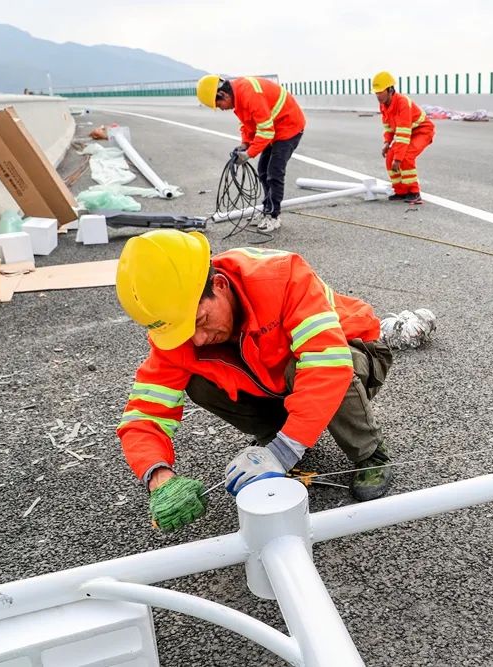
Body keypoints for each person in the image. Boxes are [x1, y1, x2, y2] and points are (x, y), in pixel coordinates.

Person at [115, 230, 395, 532]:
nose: (198, 338)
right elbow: (144, 415)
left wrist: (282, 454)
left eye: (200, 321)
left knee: (309, 367)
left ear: (219, 285)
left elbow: (328, 365)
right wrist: (159, 476)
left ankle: (370, 453)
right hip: (272, 384)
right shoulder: (177, 333)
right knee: (199, 382)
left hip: (353, 356)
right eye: (184, 331)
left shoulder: (280, 275)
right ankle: (280, 435)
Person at [196, 74, 306, 233]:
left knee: (274, 172)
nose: (221, 108)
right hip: (273, 128)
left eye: (219, 104)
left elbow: (266, 131)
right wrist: (245, 144)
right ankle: (267, 209)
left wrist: (248, 154)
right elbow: (248, 124)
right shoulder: (238, 97)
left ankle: (274, 216)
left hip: (289, 127)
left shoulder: (250, 94)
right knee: (262, 170)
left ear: (223, 94)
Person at [372, 71, 435, 205]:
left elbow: (403, 134)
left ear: (390, 90)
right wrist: (387, 143)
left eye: (380, 91)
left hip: (422, 131)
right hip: (407, 133)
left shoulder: (402, 103)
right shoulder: (383, 105)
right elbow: (389, 127)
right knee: (389, 157)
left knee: (405, 157)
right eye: (376, 92)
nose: (378, 95)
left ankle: (414, 192)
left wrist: (398, 158)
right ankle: (400, 191)